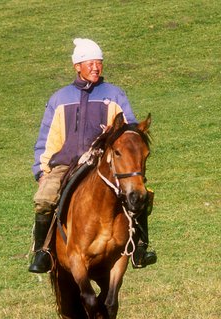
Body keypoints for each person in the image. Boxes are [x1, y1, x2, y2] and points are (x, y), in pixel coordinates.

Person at [28, 38, 157, 273]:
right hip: (66, 163)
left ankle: (140, 248)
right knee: (45, 198)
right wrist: (42, 171)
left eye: (99, 63)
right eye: (90, 63)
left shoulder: (115, 95)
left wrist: (117, 134)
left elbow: (130, 131)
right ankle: (42, 252)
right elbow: (48, 137)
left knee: (140, 194)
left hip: (102, 161)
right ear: (77, 66)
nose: (96, 67)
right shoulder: (59, 98)